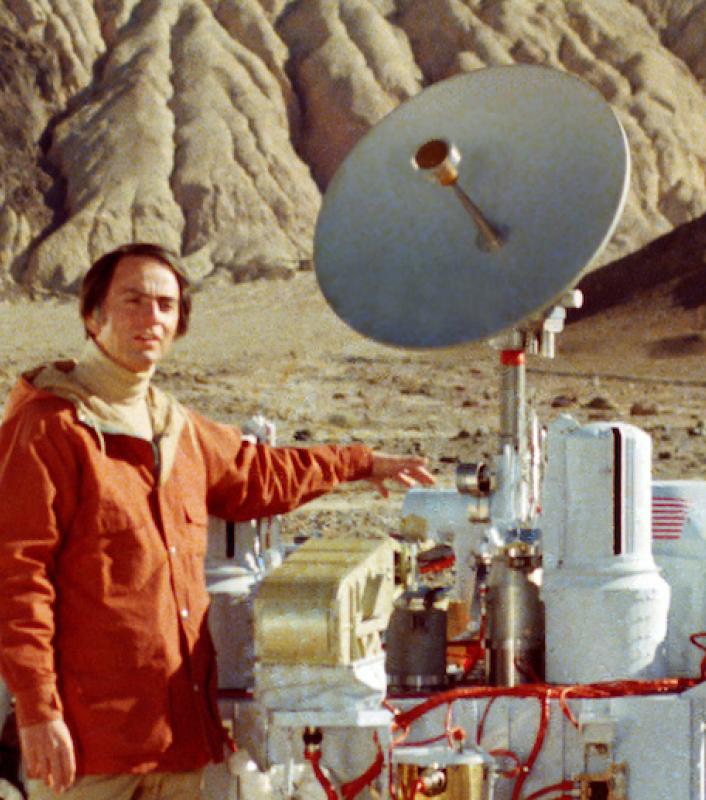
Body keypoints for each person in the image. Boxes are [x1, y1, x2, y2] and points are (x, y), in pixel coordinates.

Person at [0, 243, 435, 799]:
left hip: (179, 738)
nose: (151, 318)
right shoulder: (51, 426)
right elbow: (19, 580)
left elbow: (261, 473)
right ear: (93, 315)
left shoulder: (176, 429)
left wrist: (359, 462)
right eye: (133, 300)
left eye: (166, 305)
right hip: (87, 750)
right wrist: (38, 713)